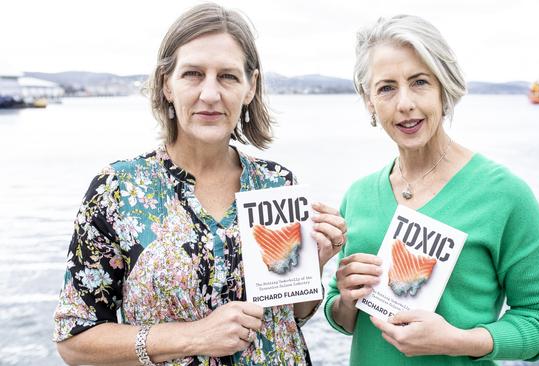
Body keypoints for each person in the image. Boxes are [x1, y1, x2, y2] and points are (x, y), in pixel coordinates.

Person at [53, 4, 346, 365]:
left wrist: (313, 265)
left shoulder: (276, 183)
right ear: (167, 84)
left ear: (250, 87)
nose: (210, 94)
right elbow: (74, 341)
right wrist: (193, 336)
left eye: (227, 76)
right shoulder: (117, 189)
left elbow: (293, 315)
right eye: (193, 74)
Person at [324, 15, 539, 365]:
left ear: (444, 88)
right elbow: (343, 318)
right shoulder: (358, 195)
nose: (405, 103)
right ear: (369, 102)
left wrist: (457, 341)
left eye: (419, 82)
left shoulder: (505, 196)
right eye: (386, 88)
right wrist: (346, 300)